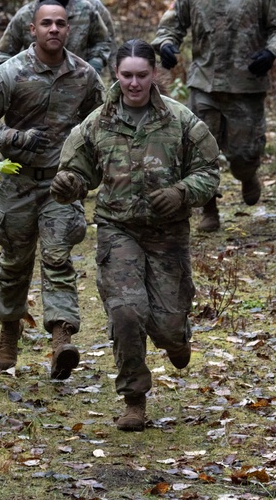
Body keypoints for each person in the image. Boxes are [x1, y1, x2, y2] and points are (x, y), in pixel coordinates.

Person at [50, 39, 220, 431]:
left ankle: (177, 340)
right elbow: (79, 172)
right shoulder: (96, 123)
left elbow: (209, 172)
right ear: (115, 74)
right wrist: (68, 184)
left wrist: (181, 193)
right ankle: (134, 399)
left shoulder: (181, 121)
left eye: (142, 75)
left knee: (166, 325)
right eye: (126, 75)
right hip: (118, 228)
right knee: (126, 313)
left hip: (168, 234)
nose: (133, 83)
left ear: (155, 74)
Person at [0, 0, 105, 380]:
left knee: (58, 256)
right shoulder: (10, 73)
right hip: (18, 180)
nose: (54, 30)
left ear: (69, 29)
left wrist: (85, 174)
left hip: (61, 183)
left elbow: (104, 125)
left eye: (61, 23)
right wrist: (14, 136)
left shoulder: (85, 75)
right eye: (47, 24)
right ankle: (9, 328)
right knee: (15, 261)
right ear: (33, 29)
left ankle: (62, 338)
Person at [153, 0, 276, 232]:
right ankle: (209, 210)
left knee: (244, 153)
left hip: (246, 85)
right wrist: (166, 46)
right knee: (200, 152)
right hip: (204, 84)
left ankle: (247, 175)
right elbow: (171, 25)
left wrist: (271, 53)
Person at [0, 0, 111, 75]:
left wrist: (93, 67)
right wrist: (17, 78)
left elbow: (102, 42)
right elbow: (4, 53)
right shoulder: (25, 14)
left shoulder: (85, 9)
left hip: (77, 84)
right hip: (35, 86)